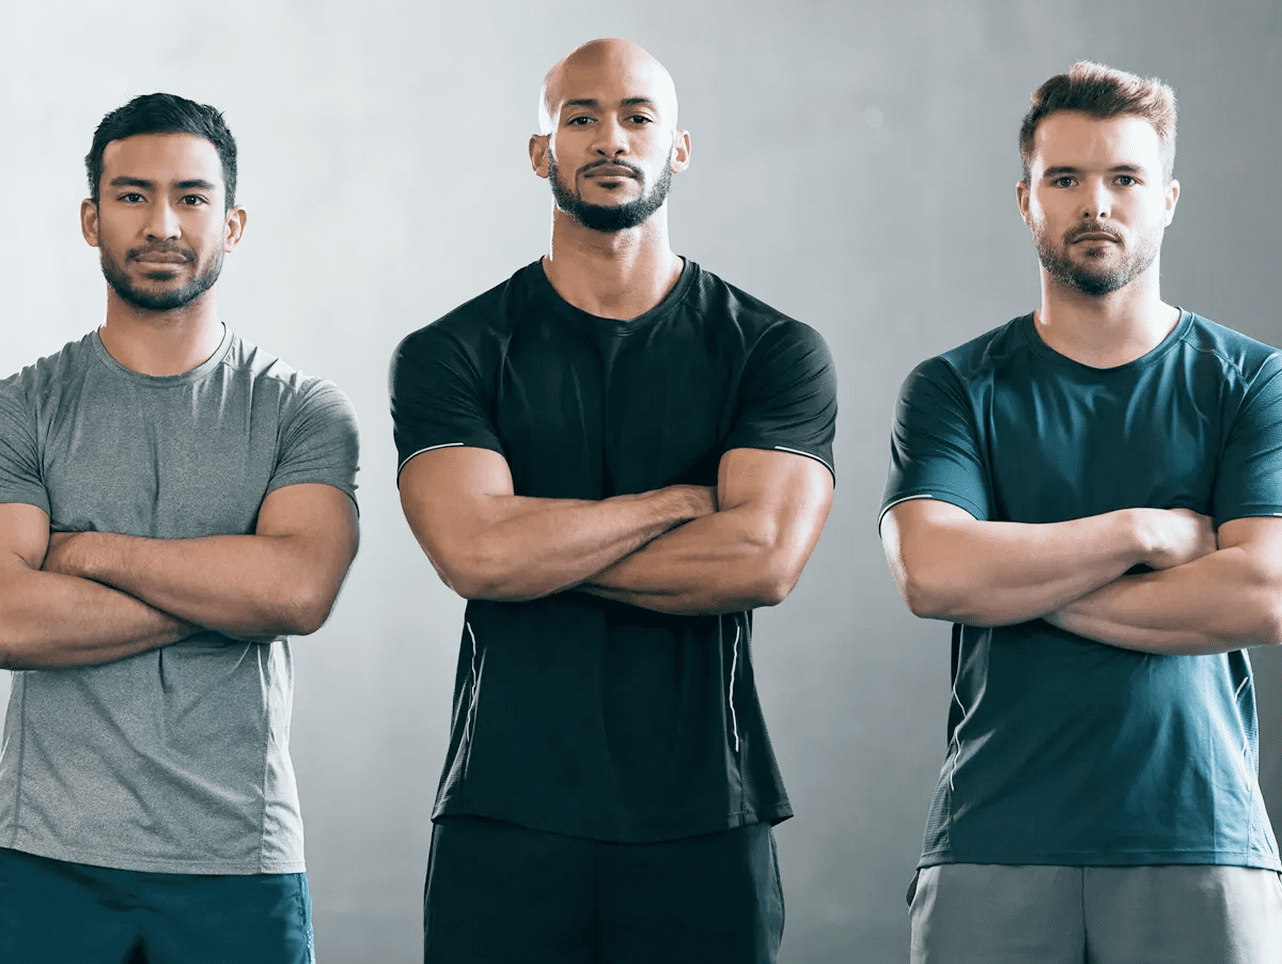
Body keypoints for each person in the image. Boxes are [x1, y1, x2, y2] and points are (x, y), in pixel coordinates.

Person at [390, 38, 836, 964]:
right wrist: (674, 504)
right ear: (540, 148)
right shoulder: (451, 351)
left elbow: (762, 559)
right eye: (580, 117)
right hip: (505, 808)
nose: (609, 139)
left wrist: (533, 548)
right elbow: (473, 554)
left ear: (678, 148)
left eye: (638, 117)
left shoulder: (772, 351)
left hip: (708, 811)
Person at [880, 61, 1282, 963]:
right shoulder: (954, 389)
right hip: (995, 839)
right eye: (1065, 179)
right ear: (1026, 199)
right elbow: (934, 573)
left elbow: (1264, 595)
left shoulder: (1251, 381)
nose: (1095, 202)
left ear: (1167, 198)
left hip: (1199, 837)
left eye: (1124, 178)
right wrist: (1143, 533)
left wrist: (1018, 585)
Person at [0, 93, 360, 964]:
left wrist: (87, 555)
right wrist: (234, 594)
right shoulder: (23, 408)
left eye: (192, 198)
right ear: (92, 219)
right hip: (44, 856)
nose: (163, 222)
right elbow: (8, 617)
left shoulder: (301, 412)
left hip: (241, 861)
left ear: (232, 223)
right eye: (132, 196)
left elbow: (300, 592)